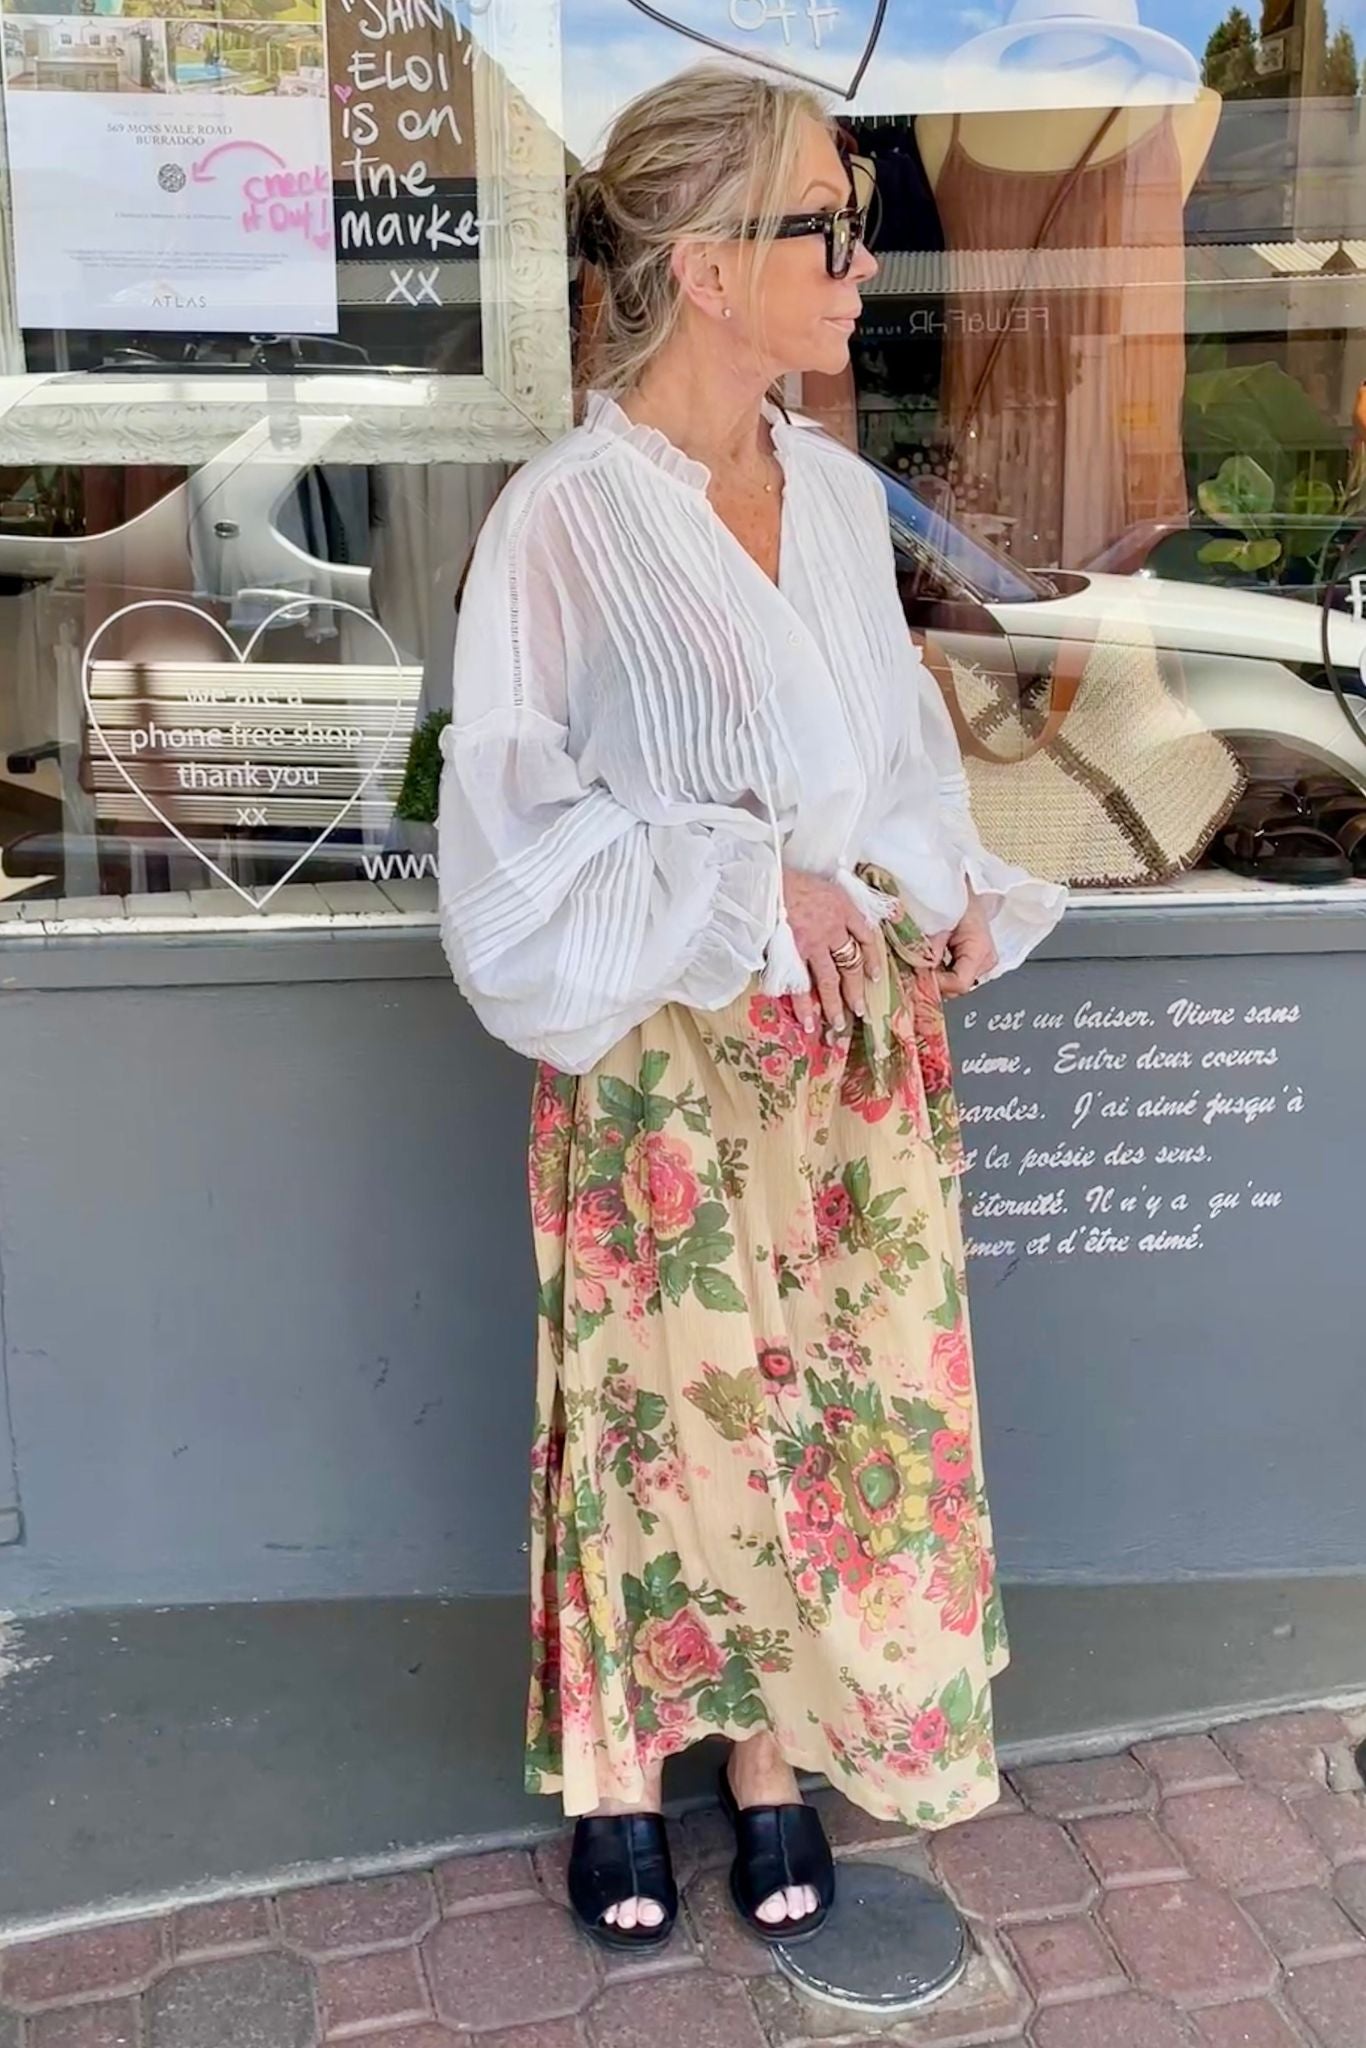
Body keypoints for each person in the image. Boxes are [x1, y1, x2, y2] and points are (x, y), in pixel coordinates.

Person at [437, 64, 1067, 1955]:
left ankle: (774, 1752)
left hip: (850, 1069)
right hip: (670, 1064)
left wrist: (941, 903)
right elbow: (508, 844)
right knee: (668, 1423)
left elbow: (894, 771)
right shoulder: (561, 522)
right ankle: (624, 1777)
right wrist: (735, 886)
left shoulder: (835, 493)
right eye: (827, 226)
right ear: (707, 267)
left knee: (835, 1427)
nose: (862, 265)